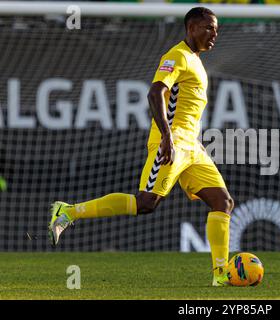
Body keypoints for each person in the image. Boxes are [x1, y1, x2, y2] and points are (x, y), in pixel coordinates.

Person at [48, 7, 233, 287]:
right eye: (209, 28)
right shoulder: (177, 56)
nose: (214, 34)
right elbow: (155, 91)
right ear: (191, 28)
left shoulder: (196, 61)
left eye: (216, 29)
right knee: (146, 203)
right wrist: (167, 136)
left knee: (223, 202)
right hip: (171, 142)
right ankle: (68, 212)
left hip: (192, 146)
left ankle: (221, 275)